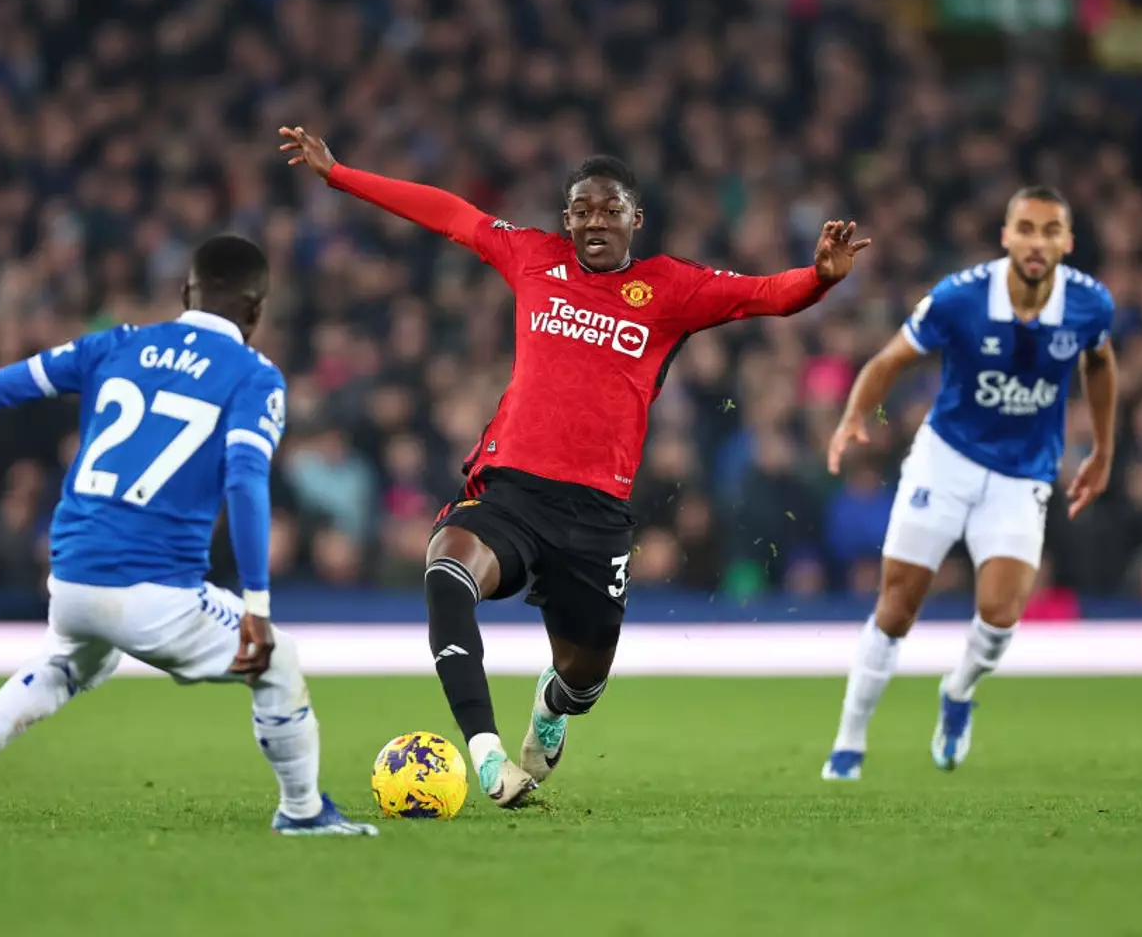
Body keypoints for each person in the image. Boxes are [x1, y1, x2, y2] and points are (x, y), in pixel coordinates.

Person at [279, 125, 869, 806]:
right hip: (511, 492)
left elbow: (766, 293)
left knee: (583, 679)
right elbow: (449, 213)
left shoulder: (670, 288)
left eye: (609, 210)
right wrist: (341, 174)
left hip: (594, 516)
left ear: (634, 220)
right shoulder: (532, 257)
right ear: (566, 219)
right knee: (446, 569)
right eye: (582, 209)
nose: (595, 221)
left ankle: (551, 708)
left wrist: (820, 277)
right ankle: (487, 755)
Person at [0, 235, 376, 837]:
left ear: (183, 293)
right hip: (156, 590)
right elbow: (246, 481)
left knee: (70, 663)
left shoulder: (118, 344)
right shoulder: (255, 377)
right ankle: (302, 813)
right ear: (257, 312)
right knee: (279, 661)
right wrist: (256, 604)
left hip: (71, 575)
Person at [820, 188, 1118, 779]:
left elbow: (1100, 364)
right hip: (945, 461)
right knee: (898, 607)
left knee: (1001, 615)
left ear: (1068, 242)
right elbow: (889, 361)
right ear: (1006, 236)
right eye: (1026, 229)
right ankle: (848, 742)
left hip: (1023, 473)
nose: (1038, 242)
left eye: (1050, 231)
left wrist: (1104, 451)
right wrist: (855, 415)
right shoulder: (960, 296)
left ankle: (957, 693)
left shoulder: (1090, 305)